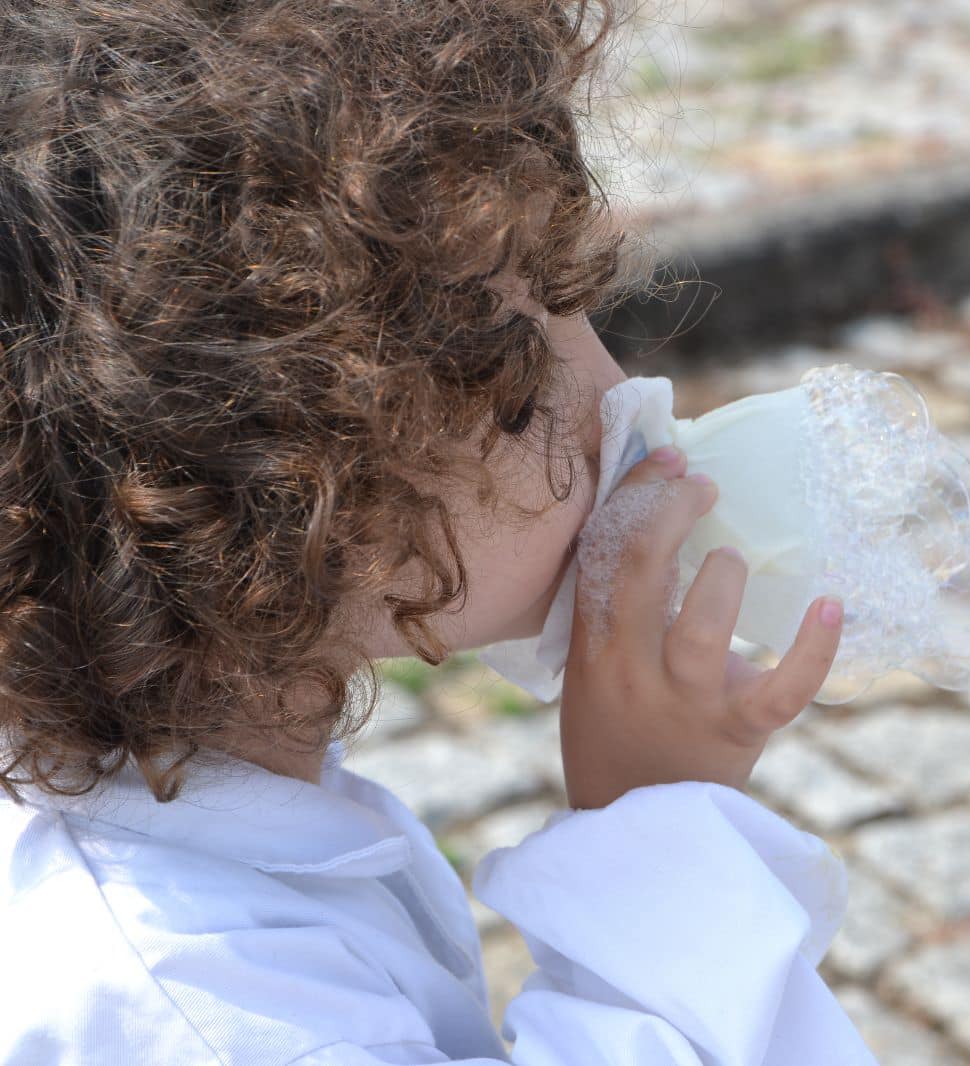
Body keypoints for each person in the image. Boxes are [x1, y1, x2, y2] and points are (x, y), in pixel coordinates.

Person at [0, 1, 875, 1062]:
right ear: (286, 500)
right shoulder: (206, 1007)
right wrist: (658, 819)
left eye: (576, 304)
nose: (615, 390)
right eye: (512, 382)